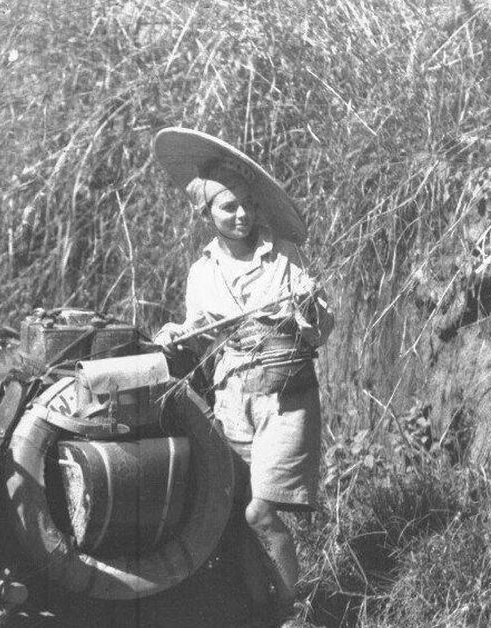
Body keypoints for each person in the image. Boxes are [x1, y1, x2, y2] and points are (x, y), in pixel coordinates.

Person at [150, 127, 333, 628]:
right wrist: (176, 336)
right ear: (208, 214)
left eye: (248, 204)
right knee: (232, 515)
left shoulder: (287, 255)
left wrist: (308, 309)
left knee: (259, 513)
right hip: (234, 400)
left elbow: (319, 332)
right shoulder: (201, 271)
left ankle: (290, 609)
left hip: (285, 398)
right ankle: (257, 607)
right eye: (229, 207)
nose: (242, 215)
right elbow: (201, 338)